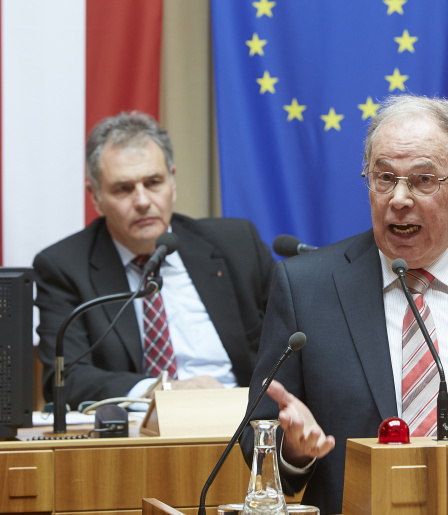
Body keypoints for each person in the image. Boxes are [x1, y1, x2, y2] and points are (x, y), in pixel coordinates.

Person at [240, 94, 448, 515]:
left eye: (423, 180)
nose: (399, 198)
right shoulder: (305, 289)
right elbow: (257, 438)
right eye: (384, 178)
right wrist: (293, 449)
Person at [34, 111, 276, 407]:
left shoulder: (237, 245)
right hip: (138, 430)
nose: (142, 201)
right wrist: (162, 391)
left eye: (153, 182)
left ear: (172, 182)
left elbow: (292, 344)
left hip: (241, 418)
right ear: (95, 196)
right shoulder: (65, 267)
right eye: (123, 189)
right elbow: (64, 378)